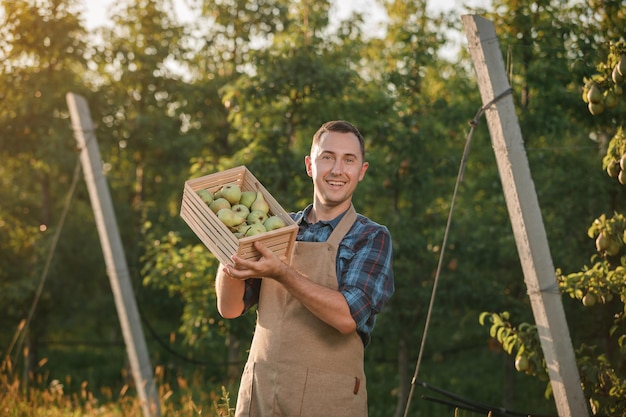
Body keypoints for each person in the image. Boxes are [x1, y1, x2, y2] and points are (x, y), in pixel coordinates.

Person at [216, 120, 395, 417]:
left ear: (361, 171)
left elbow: (347, 317)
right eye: (327, 157)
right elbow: (230, 307)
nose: (337, 169)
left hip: (327, 402)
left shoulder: (370, 237)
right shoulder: (274, 229)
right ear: (310, 166)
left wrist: (282, 273)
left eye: (348, 160)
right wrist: (228, 249)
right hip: (261, 398)